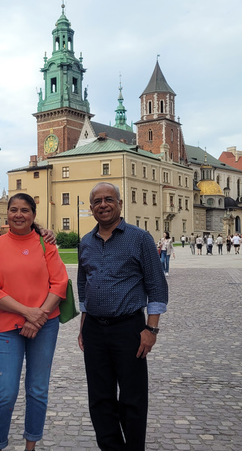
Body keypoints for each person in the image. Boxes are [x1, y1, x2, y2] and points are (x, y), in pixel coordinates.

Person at [77, 182, 169, 451]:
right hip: (94, 329)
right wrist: (83, 328)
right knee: (100, 398)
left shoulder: (139, 238)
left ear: (119, 203)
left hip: (129, 328)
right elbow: (84, 287)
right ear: (92, 207)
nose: (102, 205)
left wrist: (151, 330)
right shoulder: (86, 242)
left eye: (108, 200)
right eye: (97, 201)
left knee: (132, 397)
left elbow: (157, 287)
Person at [0, 194, 68, 451]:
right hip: (9, 325)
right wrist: (29, 313)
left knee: (37, 389)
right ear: (6, 213)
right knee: (5, 391)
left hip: (45, 324)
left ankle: (31, 445)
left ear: (33, 214)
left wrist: (39, 315)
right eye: (14, 210)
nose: (19, 215)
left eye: (25, 211)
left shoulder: (45, 243)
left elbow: (60, 283)